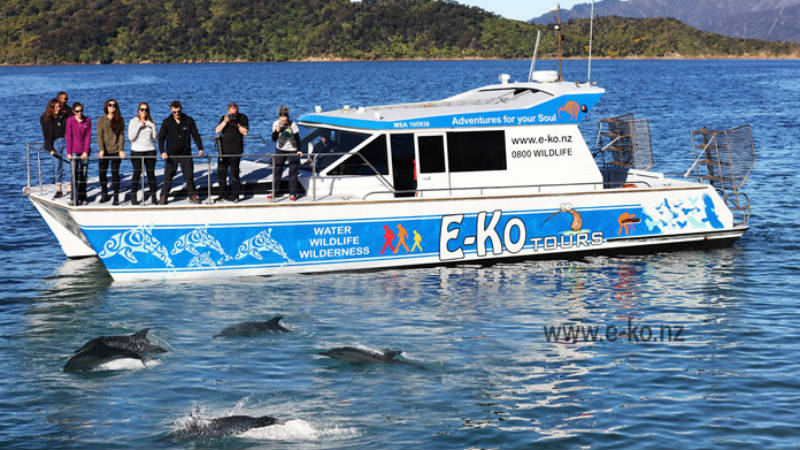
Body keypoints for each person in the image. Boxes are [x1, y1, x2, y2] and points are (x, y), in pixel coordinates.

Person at [158, 100, 204, 205]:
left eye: (178, 111)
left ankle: (193, 195)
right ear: (171, 110)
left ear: (181, 110)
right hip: (171, 154)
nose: (176, 114)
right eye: (174, 112)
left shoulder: (189, 120)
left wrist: (200, 148)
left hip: (185, 153)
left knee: (189, 176)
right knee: (168, 177)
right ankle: (164, 196)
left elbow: (195, 135)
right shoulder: (166, 122)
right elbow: (161, 138)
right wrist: (162, 151)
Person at [213, 102, 249, 202]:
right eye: (231, 114)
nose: (233, 116)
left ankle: (235, 195)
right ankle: (222, 194)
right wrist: (225, 121)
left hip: (236, 150)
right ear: (228, 111)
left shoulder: (242, 118)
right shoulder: (224, 118)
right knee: (221, 173)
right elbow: (217, 130)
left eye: (235, 113)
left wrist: (237, 124)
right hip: (223, 151)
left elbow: (245, 132)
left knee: (234, 174)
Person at [128, 102, 159, 205]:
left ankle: (154, 197)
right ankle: (133, 197)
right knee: (137, 173)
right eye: (142, 109)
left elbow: (155, 137)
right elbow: (131, 137)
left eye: (146, 110)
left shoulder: (151, 121)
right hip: (137, 151)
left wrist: (152, 126)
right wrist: (139, 126)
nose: (144, 112)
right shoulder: (133, 121)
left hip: (150, 150)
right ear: (138, 111)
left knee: (151, 174)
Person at [269, 106, 302, 201]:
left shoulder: (292, 124)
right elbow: (273, 139)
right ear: (279, 118)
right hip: (280, 149)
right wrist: (276, 131)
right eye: (282, 121)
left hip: (292, 149)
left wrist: (299, 150)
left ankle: (293, 193)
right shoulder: (276, 124)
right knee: (278, 170)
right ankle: (274, 191)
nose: (284, 123)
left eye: (285, 121)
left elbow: (297, 138)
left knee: (293, 172)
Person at [96, 99, 126, 205]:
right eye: (110, 105)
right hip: (104, 151)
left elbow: (122, 136)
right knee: (102, 173)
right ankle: (105, 193)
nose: (112, 107)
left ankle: (116, 196)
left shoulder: (120, 120)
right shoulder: (101, 119)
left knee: (115, 173)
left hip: (115, 150)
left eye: (114, 105)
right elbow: (99, 136)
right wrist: (101, 149)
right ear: (106, 107)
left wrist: (121, 149)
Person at [40, 98, 68, 199]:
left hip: (65, 141)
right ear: (51, 107)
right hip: (55, 143)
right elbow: (46, 135)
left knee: (68, 165)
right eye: (55, 107)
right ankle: (59, 190)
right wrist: (50, 148)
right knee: (57, 166)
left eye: (59, 107)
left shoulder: (64, 116)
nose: (57, 109)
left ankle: (69, 189)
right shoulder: (45, 118)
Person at [65, 102, 91, 205]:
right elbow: (69, 136)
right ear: (73, 112)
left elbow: (88, 137)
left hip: (84, 151)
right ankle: (74, 198)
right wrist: (68, 152)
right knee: (74, 174)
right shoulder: (70, 121)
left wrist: (85, 151)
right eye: (77, 111)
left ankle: (83, 197)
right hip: (74, 151)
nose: (79, 113)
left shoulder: (87, 121)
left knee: (83, 175)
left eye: (81, 111)